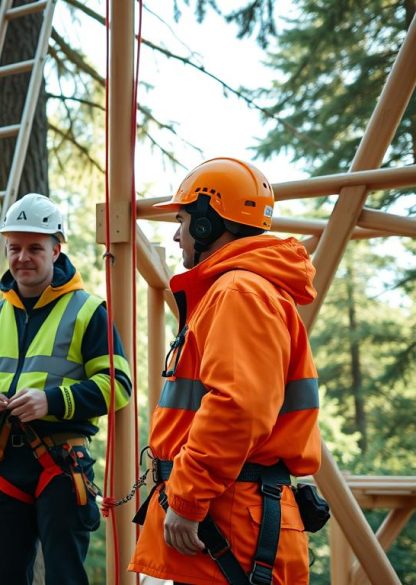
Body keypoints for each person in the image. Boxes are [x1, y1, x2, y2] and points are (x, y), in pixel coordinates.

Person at [128, 157, 322, 584]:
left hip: (229, 522)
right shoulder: (243, 289)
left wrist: (186, 500)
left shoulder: (239, 291)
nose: (177, 235)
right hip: (233, 517)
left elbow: (239, 406)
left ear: (206, 223)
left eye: (182, 220)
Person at [0, 193, 132, 585]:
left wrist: (50, 401)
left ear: (56, 250)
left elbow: (118, 385)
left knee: (64, 577)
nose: (22, 258)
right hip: (3, 462)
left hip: (61, 462)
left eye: (34, 248)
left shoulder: (88, 311)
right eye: (14, 248)